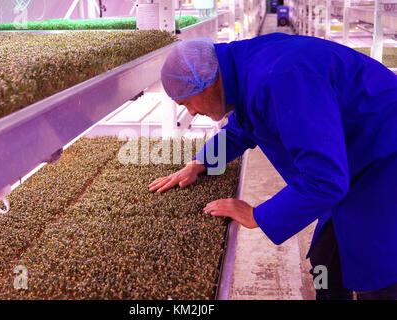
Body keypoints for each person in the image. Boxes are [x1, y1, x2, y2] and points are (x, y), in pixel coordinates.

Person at [148, 34, 397, 300]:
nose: (192, 112)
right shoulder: (242, 68)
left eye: (187, 102)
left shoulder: (280, 79)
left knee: (379, 271)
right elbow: (242, 128)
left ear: (205, 84)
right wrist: (199, 163)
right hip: (354, 153)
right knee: (325, 263)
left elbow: (325, 180)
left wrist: (257, 215)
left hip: (382, 156)